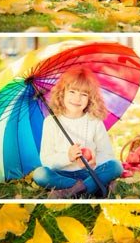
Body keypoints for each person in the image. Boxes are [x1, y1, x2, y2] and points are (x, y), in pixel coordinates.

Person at [32, 69, 122, 198]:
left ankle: (72, 192)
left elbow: (107, 154)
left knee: (116, 166)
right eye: (72, 92)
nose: (77, 98)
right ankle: (91, 187)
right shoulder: (51, 122)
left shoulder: (94, 121)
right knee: (40, 174)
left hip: (89, 172)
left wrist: (94, 161)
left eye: (83, 94)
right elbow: (47, 160)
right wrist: (67, 157)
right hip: (62, 174)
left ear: (91, 98)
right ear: (62, 94)